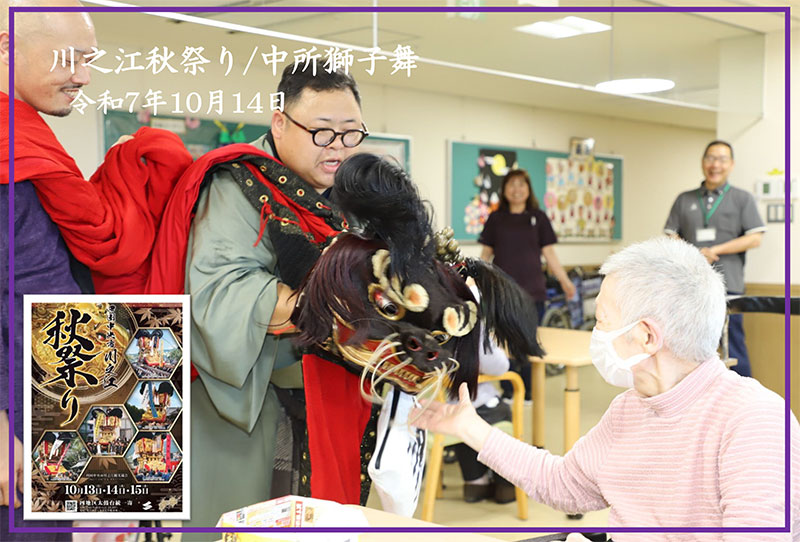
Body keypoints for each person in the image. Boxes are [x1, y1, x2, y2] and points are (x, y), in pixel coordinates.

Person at [412, 237, 798, 541]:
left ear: (646, 336)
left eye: (601, 320)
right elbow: (563, 484)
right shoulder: (630, 408)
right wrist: (471, 428)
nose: (595, 334)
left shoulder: (755, 422)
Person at [148, 64, 368, 538]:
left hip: (329, 395)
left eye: (351, 133)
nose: (337, 146)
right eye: (322, 132)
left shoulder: (349, 196)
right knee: (240, 524)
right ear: (280, 124)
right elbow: (222, 291)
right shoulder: (238, 184)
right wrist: (332, 300)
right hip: (249, 398)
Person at [664, 140, 766, 377]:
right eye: (710, 158)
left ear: (731, 164)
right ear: (702, 162)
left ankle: (741, 397)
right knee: (688, 348)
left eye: (722, 159)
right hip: (690, 287)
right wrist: (694, 253)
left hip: (729, 287)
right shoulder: (684, 199)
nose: (715, 165)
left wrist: (715, 250)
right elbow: (671, 235)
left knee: (734, 346)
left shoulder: (742, 198)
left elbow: (755, 238)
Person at [479, 168, 575, 398]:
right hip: (502, 294)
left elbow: (549, 254)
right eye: (511, 184)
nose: (516, 189)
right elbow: (485, 254)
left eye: (521, 184)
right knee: (504, 342)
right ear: (504, 190)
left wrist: (565, 281)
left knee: (529, 342)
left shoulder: (538, 218)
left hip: (533, 293)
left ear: (528, 189)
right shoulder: (496, 218)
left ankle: (529, 391)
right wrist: (474, 279)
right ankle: (509, 390)